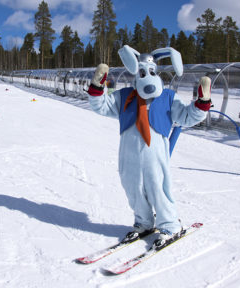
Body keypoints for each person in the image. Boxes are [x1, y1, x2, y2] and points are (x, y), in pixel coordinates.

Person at [87, 45, 211, 246]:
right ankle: (144, 222)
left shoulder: (168, 97)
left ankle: (170, 225)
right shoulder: (125, 95)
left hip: (155, 157)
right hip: (128, 156)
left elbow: (187, 116)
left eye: (151, 72)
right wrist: (97, 89)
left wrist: (201, 104)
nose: (148, 76)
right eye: (142, 72)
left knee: (158, 188)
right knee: (133, 188)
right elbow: (102, 106)